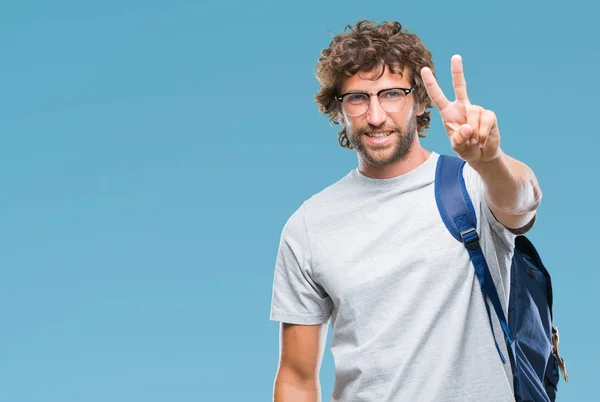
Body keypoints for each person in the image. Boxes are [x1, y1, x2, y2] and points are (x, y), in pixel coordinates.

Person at [269, 19, 541, 402]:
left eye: (392, 94)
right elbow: (296, 377)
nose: (376, 116)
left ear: (419, 102)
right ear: (339, 108)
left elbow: (523, 201)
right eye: (358, 98)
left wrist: (491, 159)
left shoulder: (471, 182)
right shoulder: (308, 226)